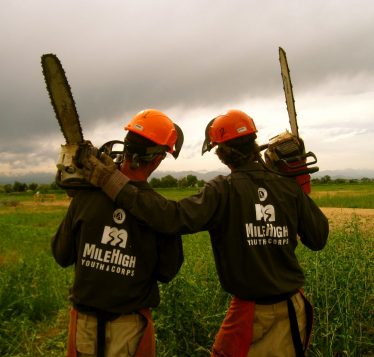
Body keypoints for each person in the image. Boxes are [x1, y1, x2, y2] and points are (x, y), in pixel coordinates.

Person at [82, 109, 329, 357]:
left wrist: (111, 181)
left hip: (250, 316)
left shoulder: (223, 191)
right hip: (293, 311)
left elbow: (171, 218)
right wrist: (295, 186)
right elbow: (318, 238)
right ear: (254, 144)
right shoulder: (287, 187)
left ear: (221, 154)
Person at [51, 109, 184, 357]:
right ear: (157, 159)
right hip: (130, 328)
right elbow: (168, 270)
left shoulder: (85, 196)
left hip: (84, 326)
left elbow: (61, 254)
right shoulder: (159, 211)